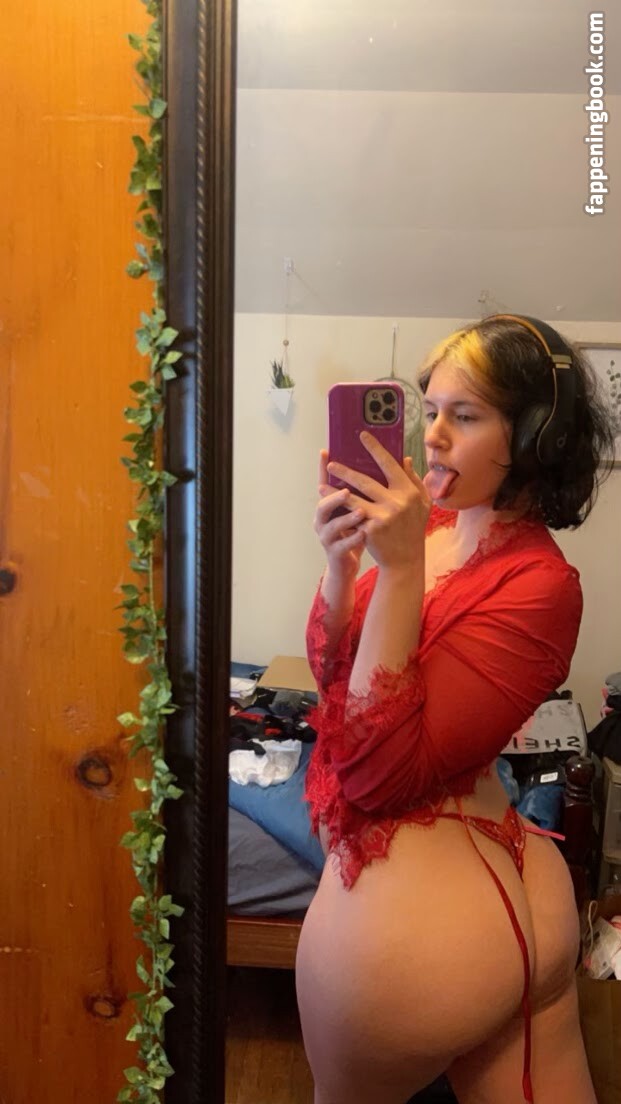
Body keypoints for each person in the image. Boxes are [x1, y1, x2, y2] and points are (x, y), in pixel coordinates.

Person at [295, 314, 614, 1104]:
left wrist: (399, 571)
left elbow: (377, 774)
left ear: (535, 437)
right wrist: (341, 568)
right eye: (429, 409)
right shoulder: (433, 527)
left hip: (434, 930)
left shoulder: (540, 585)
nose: (430, 436)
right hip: (491, 893)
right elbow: (336, 677)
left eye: (463, 416)